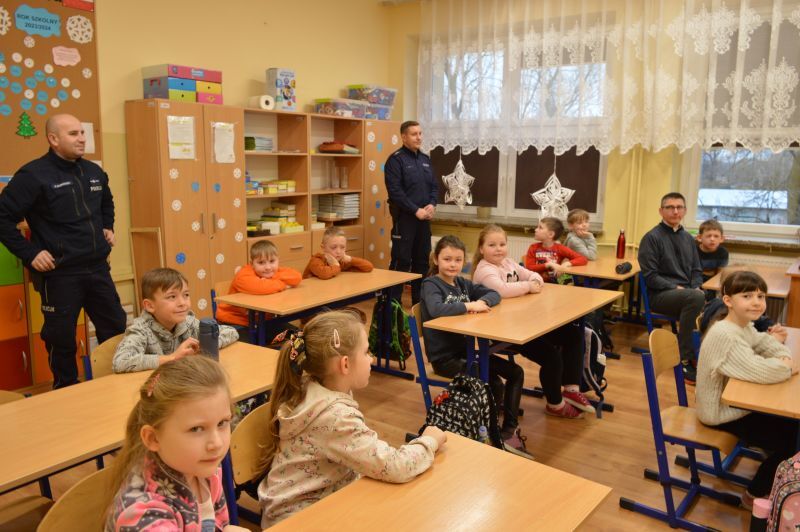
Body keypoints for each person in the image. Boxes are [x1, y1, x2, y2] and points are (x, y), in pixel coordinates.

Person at [257, 310, 445, 527]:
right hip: (297, 520)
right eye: (366, 352)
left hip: (317, 500)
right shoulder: (335, 417)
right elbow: (395, 466)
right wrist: (429, 440)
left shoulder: (314, 385)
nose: (371, 358)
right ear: (345, 364)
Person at [0, 114, 127, 389]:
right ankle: (66, 390)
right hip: (60, 274)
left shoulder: (93, 172)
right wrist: (30, 253)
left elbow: (106, 202)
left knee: (116, 329)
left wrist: (107, 226)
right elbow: (3, 219)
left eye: (82, 132)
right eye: (73, 134)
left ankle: (115, 387)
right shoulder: (33, 175)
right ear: (53, 139)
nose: (81, 138)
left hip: (97, 269)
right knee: (61, 339)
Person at [105, 356, 247, 531]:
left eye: (222, 423)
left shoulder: (203, 469)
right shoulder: (144, 517)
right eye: (196, 429)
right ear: (153, 438)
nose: (216, 444)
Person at [695, 271, 797, 509]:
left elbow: (768, 344)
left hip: (732, 405)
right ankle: (754, 494)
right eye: (747, 296)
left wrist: (784, 361)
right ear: (728, 300)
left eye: (761, 296)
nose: (756, 302)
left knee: (790, 426)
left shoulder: (742, 326)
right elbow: (762, 371)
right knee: (792, 442)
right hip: (718, 413)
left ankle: (772, 464)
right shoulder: (725, 335)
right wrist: (787, 368)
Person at [471, 226, 595, 421]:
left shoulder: (508, 263)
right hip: (502, 331)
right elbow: (502, 290)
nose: (498, 249)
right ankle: (555, 404)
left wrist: (532, 281)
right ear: (481, 249)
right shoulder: (485, 270)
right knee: (551, 356)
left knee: (572, 335)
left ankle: (571, 390)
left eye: (502, 244)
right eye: (492, 245)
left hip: (522, 323)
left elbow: (532, 275)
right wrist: (529, 286)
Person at [112, 268, 238, 373]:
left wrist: (205, 346)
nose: (182, 303)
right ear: (150, 306)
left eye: (186, 295)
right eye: (172, 297)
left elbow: (231, 332)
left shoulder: (188, 322)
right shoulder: (141, 330)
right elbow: (120, 361)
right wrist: (172, 358)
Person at [638, 192, 705, 384]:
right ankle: (684, 359)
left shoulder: (688, 238)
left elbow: (696, 270)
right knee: (696, 298)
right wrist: (676, 288)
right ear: (661, 211)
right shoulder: (651, 238)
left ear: (685, 211)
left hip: (687, 294)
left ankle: (703, 355)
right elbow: (651, 277)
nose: (675, 211)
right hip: (660, 295)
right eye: (670, 207)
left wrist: (696, 286)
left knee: (719, 301)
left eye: (679, 207)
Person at [384, 121, 437, 305]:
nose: (419, 137)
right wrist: (415, 210)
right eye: (414, 134)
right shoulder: (395, 160)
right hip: (405, 219)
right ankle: (392, 305)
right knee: (401, 261)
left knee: (422, 262)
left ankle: (419, 304)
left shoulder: (425, 159)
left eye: (420, 133)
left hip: (424, 220)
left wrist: (432, 204)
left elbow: (434, 187)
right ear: (404, 137)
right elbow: (395, 192)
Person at [216, 240, 302, 332]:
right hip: (233, 321)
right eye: (261, 263)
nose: (268, 267)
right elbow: (262, 287)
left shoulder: (274, 271)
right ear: (252, 263)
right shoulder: (242, 275)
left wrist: (272, 278)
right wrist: (283, 284)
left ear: (278, 260)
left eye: (272, 261)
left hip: (261, 321)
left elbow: (297, 277)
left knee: (297, 335)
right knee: (290, 336)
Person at [524, 217, 587, 283]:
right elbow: (529, 268)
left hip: (555, 284)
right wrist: (548, 265)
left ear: (551, 234)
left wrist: (567, 264)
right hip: (536, 283)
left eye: (540, 228)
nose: (536, 230)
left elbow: (582, 259)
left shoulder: (560, 248)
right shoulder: (533, 247)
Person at [303, 226, 373, 279]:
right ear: (323, 247)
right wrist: (336, 265)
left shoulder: (342, 261)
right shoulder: (316, 261)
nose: (338, 252)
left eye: (342, 247)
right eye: (333, 247)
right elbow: (324, 274)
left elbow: (368, 267)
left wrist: (350, 259)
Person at [696, 218, 729, 284]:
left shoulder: (723, 252)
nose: (712, 239)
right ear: (699, 238)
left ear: (721, 239)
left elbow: (719, 274)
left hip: (713, 281)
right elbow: (693, 272)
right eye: (708, 236)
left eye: (716, 236)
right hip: (695, 281)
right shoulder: (693, 250)